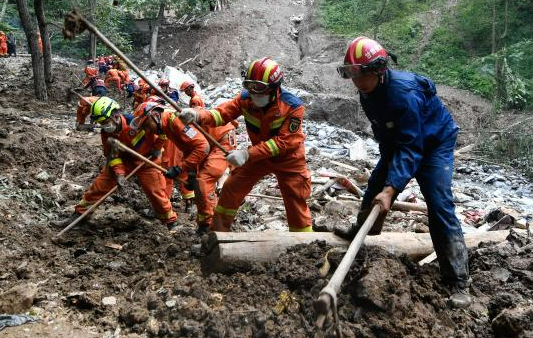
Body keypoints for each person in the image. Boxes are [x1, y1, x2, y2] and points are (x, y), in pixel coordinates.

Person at [333, 36, 471, 309]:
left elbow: (412, 149)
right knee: (374, 185)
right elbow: (387, 134)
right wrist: (383, 183)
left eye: (359, 74)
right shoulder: (367, 91)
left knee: (439, 203)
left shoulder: (404, 95)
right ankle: (362, 229)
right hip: (402, 142)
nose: (355, 81)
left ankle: (458, 281)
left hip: (433, 144)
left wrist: (391, 189)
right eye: (351, 74)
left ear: (378, 71)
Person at [180, 57, 312, 233]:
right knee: (231, 187)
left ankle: (303, 245)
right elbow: (221, 114)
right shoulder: (245, 99)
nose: (254, 93)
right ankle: (217, 236)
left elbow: (283, 143)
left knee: (295, 198)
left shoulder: (293, 107)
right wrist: (198, 116)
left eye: (259, 88)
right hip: (259, 156)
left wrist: (247, 154)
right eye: (250, 86)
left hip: (288, 160)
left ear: (274, 87)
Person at [52, 97, 180, 229]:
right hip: (124, 161)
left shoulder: (136, 122)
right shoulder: (106, 133)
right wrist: (119, 173)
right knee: (100, 186)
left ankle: (171, 222)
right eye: (101, 123)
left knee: (155, 191)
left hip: (147, 160)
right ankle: (79, 217)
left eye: (105, 121)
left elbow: (162, 131)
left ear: (115, 115)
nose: (104, 126)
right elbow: (112, 156)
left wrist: (157, 148)